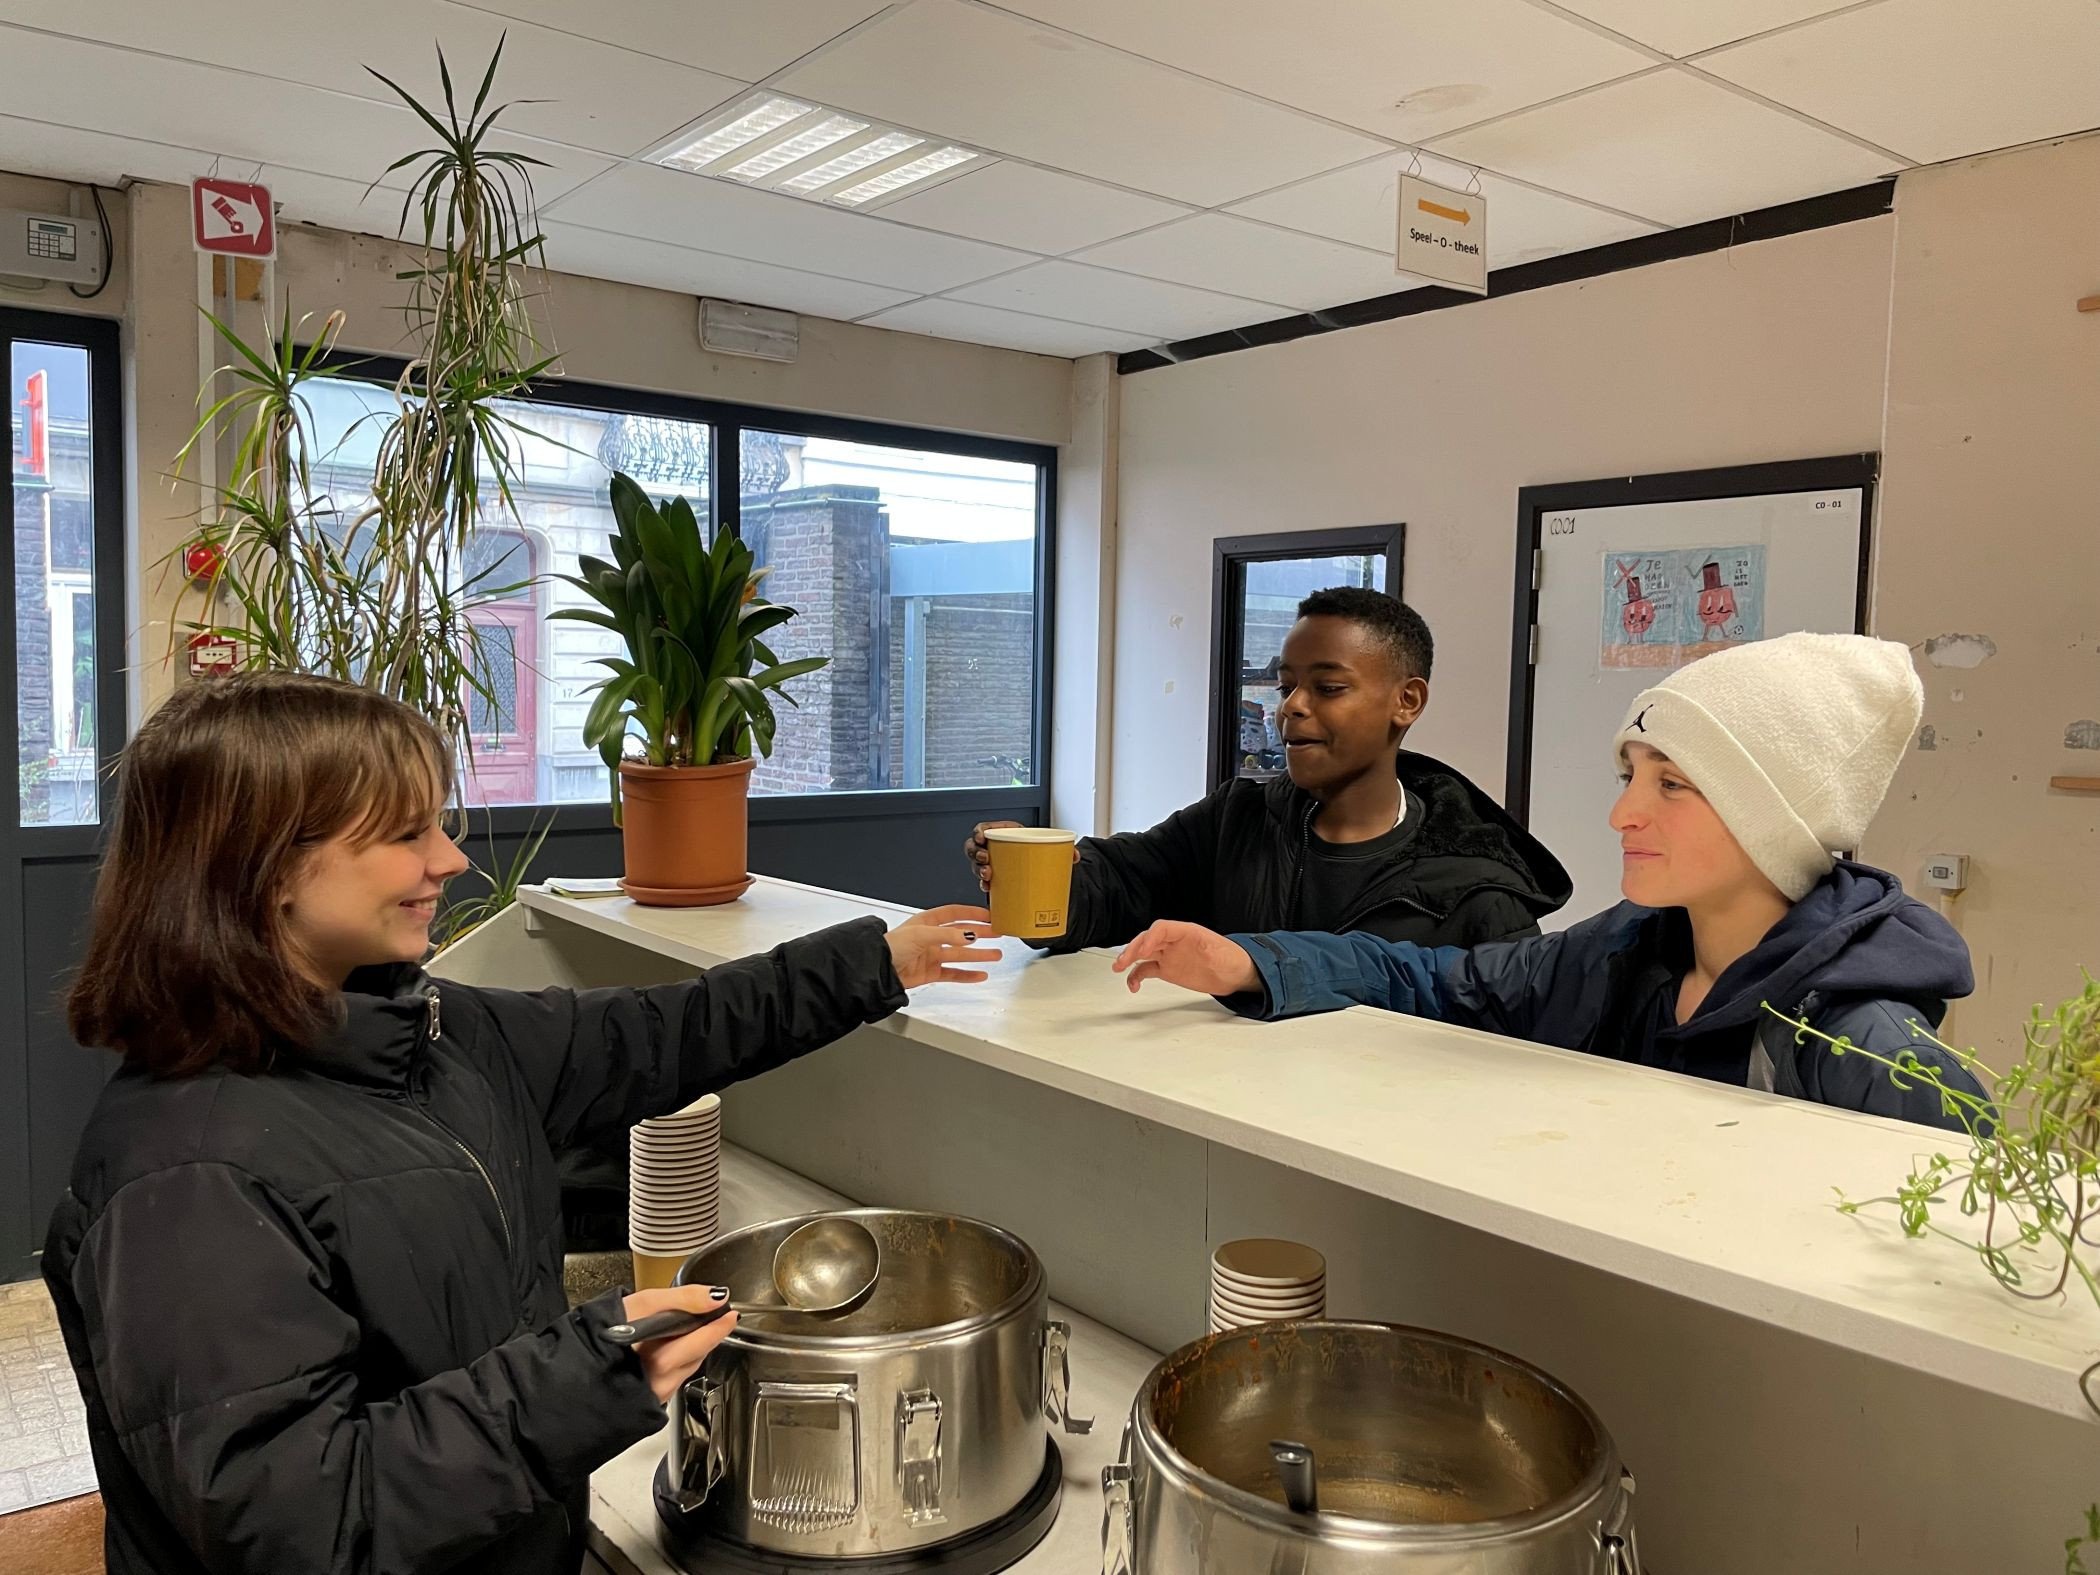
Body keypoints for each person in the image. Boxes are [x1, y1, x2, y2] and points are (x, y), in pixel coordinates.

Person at [42, 672, 1000, 1575]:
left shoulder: (430, 1034)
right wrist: (586, 1376)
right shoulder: (185, 1179)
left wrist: (876, 963)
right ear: (267, 868)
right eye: (407, 833)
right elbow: (305, 1525)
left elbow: (666, 1031)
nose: (450, 859)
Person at [1110, 633, 1984, 1130]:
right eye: (1629, 776)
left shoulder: (1865, 1047)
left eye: (1671, 784)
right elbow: (1435, 980)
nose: (1623, 814)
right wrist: (1252, 962)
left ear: (1774, 821)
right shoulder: (1622, 956)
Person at [966, 587, 1570, 950]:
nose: (1292, 707)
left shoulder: (1477, 891)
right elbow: (1119, 885)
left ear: (1406, 701)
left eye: (1328, 688)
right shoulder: (1238, 821)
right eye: (1286, 687)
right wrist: (1048, 877)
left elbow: (1506, 1046)